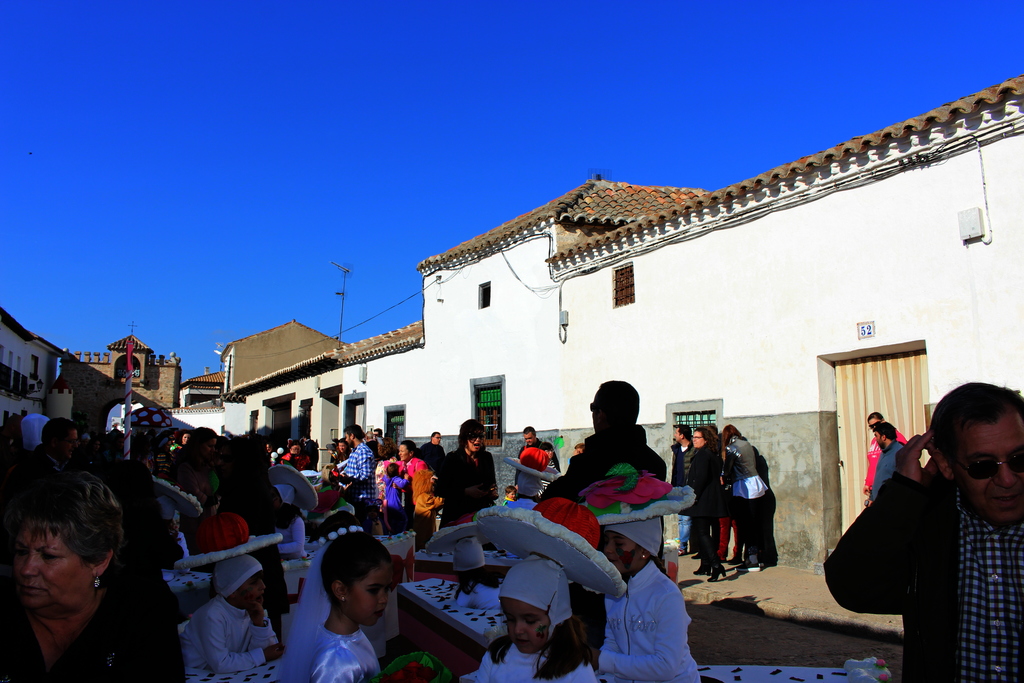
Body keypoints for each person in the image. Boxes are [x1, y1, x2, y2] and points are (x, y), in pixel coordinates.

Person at [825, 382, 1024, 682]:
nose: (1007, 479)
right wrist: (905, 492)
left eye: (1020, 459)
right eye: (983, 466)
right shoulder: (928, 529)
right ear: (945, 463)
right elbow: (852, 587)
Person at [0, 471, 184, 680]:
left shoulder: (142, 610)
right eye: (21, 551)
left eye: (48, 556)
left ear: (99, 560)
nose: (26, 569)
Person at [281, 517, 392, 683]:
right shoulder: (335, 662)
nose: (383, 599)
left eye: (387, 589)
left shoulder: (348, 638)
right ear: (341, 590)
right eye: (374, 590)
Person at [599, 520, 700, 683]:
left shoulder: (667, 595)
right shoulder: (613, 590)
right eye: (606, 541)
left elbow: (665, 667)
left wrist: (601, 660)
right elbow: (612, 642)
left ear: (644, 550)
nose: (608, 549)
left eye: (618, 543)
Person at [542, 381, 666, 501]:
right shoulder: (657, 465)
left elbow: (549, 500)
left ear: (600, 414)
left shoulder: (586, 465)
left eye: (593, 408)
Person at [478, 558, 597, 683]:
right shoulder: (497, 654)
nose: (518, 630)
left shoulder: (574, 668)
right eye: (510, 619)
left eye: (530, 621)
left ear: (558, 619)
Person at [180, 555, 284, 672]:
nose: (263, 586)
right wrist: (263, 656)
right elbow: (221, 664)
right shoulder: (211, 616)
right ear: (232, 590)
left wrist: (259, 624)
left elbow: (268, 650)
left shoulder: (249, 609)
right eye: (254, 583)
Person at [681, 427, 728, 581]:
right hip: (713, 499)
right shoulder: (712, 455)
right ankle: (706, 565)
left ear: (706, 440)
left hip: (704, 499)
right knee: (708, 532)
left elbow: (700, 479)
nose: (694, 439)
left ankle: (715, 564)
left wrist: (693, 497)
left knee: (702, 533)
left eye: (697, 437)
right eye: (693, 437)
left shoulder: (703, 455)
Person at [721, 425, 768, 571]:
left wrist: (723, 477)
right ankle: (756, 555)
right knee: (755, 522)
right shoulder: (747, 444)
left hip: (743, 486)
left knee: (746, 524)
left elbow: (727, 470)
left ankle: (751, 558)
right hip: (755, 483)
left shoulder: (731, 448)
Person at [435, 419, 497, 526]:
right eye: (473, 436)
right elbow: (440, 489)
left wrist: (492, 492)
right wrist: (465, 491)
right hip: (457, 515)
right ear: (464, 438)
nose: (477, 440)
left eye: (480, 436)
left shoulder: (486, 457)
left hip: (480, 515)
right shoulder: (453, 458)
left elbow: (491, 482)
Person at [175, 426, 220, 552]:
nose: (213, 450)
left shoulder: (209, 467)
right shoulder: (186, 468)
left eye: (214, 446)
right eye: (209, 446)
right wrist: (208, 500)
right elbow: (192, 491)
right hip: (195, 525)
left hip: (211, 522)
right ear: (198, 445)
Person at [863, 412, 907, 498]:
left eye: (876, 424)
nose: (874, 428)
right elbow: (873, 464)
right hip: (875, 485)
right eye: (871, 427)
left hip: (887, 488)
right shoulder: (875, 440)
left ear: (883, 421)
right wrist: (868, 482)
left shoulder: (895, 438)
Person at [669, 425, 694, 554]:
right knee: (681, 518)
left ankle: (683, 546)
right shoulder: (677, 450)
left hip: (688, 488)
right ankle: (683, 544)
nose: (675, 435)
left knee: (686, 519)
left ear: (682, 435)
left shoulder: (693, 450)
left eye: (676, 433)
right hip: (678, 488)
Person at [867, 421, 902, 504]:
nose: (875, 439)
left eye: (876, 436)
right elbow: (878, 477)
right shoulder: (883, 453)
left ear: (883, 437)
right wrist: (871, 498)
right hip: (877, 503)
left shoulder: (900, 453)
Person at [411, 468, 444, 549]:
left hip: (425, 531)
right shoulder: (423, 497)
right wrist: (442, 484)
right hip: (423, 534)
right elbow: (439, 502)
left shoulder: (423, 496)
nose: (433, 483)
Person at [273, 485, 306, 560]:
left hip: (296, 561)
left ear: (283, 498)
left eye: (273, 496)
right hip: (277, 559)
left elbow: (298, 545)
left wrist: (274, 548)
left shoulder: (296, 520)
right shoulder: (272, 518)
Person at [380, 461, 409, 534]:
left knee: (393, 519)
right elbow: (402, 484)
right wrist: (406, 479)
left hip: (388, 503)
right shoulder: (395, 479)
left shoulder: (386, 478)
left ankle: (393, 532)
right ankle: (399, 532)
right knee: (403, 518)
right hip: (395, 503)